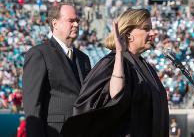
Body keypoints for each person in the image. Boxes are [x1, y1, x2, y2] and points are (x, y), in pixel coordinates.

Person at [61, 8, 169, 137]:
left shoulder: (147, 68)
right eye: (146, 28)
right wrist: (119, 52)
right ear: (128, 34)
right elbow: (115, 96)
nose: (152, 33)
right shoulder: (111, 63)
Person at [23, 3, 92, 137]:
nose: (76, 24)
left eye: (77, 20)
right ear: (55, 23)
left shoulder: (83, 58)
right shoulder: (39, 54)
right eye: (71, 21)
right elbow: (33, 106)